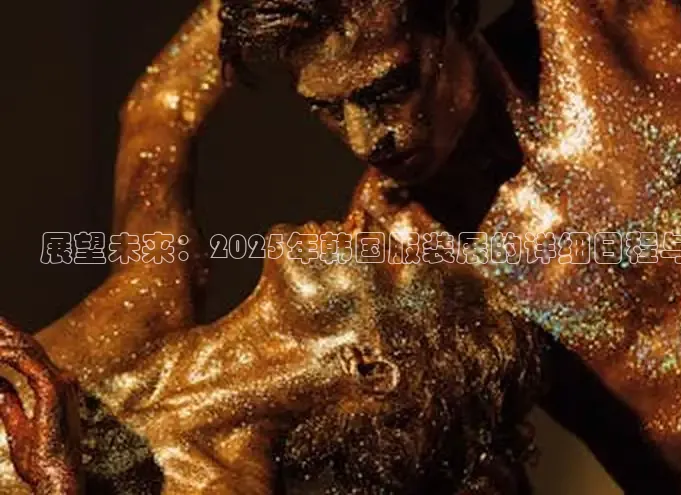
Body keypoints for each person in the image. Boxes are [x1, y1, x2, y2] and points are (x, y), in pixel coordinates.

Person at [219, 0, 681, 493]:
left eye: (388, 88)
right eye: (326, 109)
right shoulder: (397, 254)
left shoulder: (602, 28)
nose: (365, 139)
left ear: (455, 15)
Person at [0, 3, 540, 494]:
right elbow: (162, 109)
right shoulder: (148, 301)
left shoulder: (224, 483)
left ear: (372, 367)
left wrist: (58, 486)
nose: (360, 215)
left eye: (386, 254)